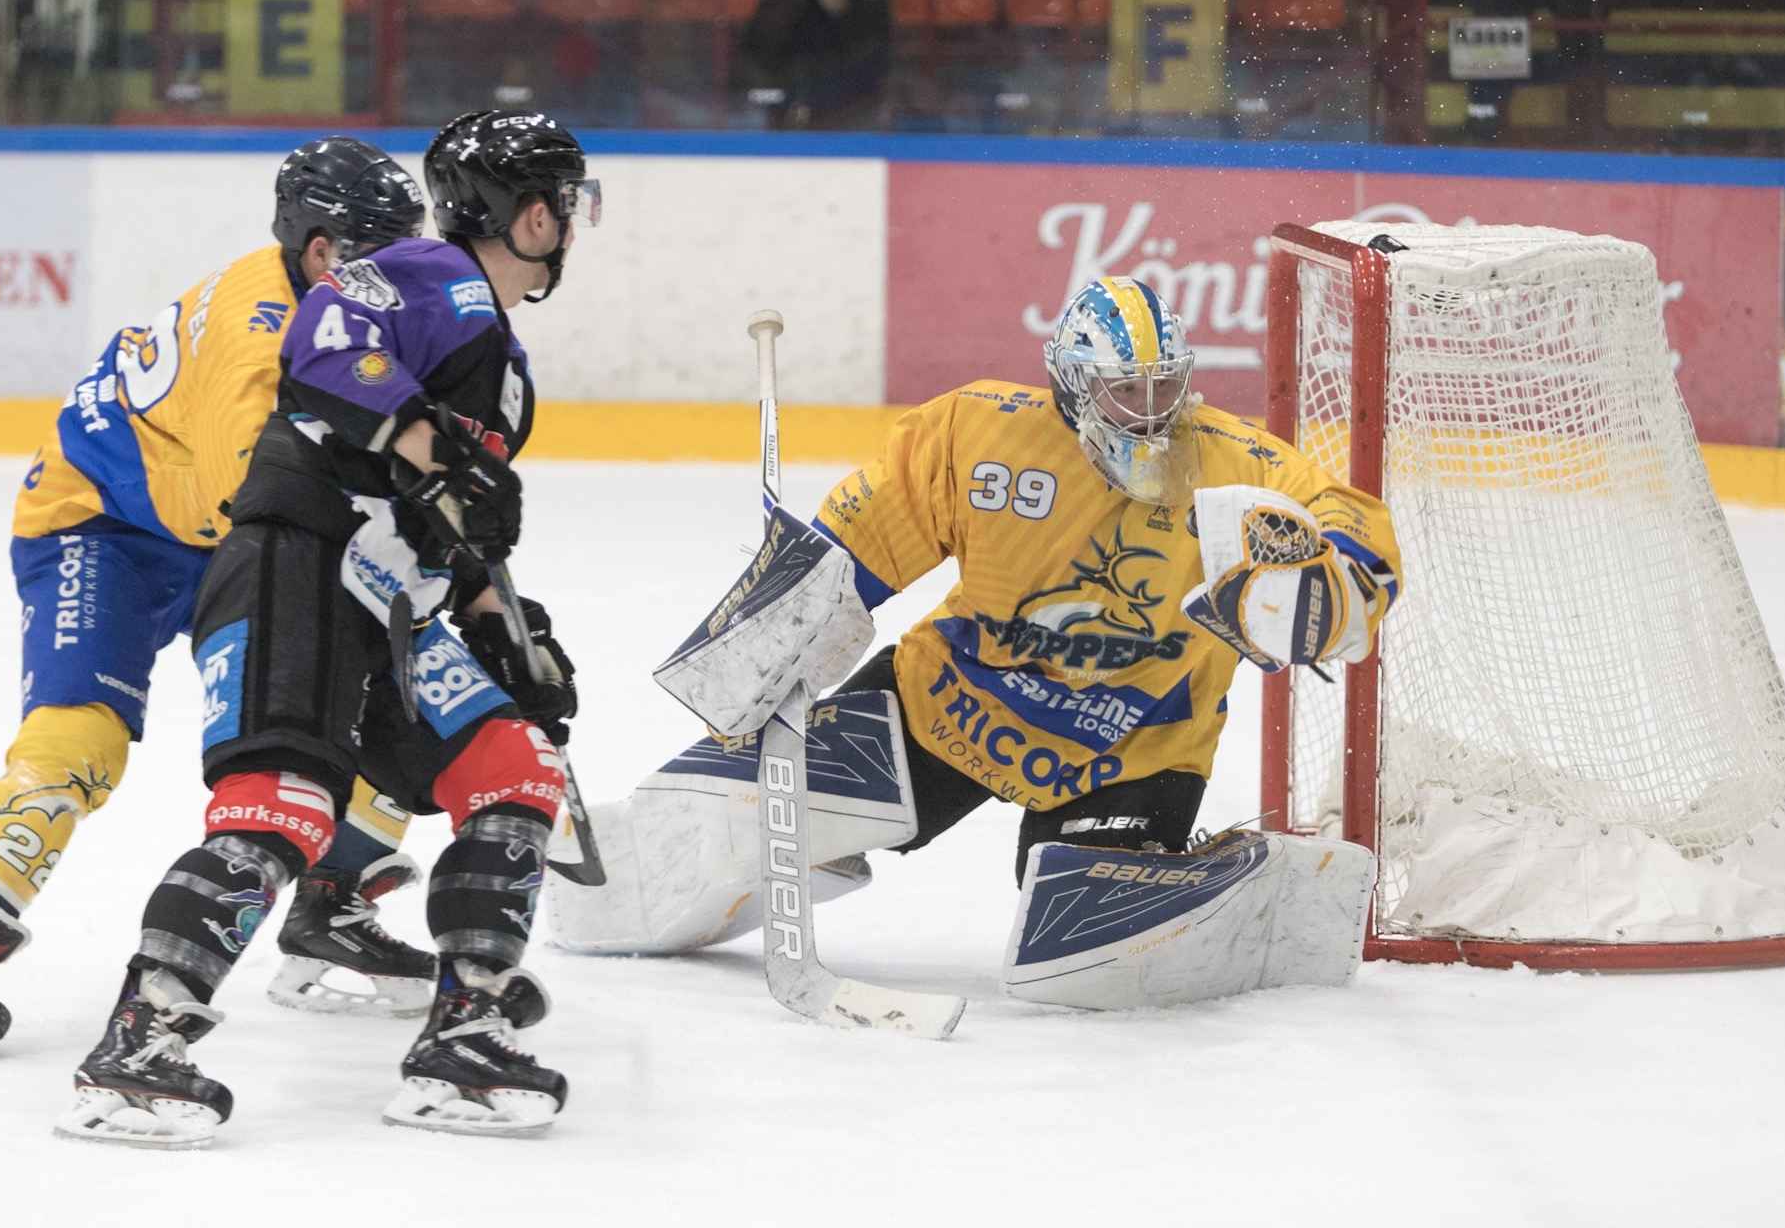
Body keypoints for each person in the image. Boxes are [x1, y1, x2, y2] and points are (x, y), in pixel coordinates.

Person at [555, 276, 1404, 1008]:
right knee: (703, 824)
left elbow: (1350, 531)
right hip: (943, 710)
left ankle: (1244, 878)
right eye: (1123, 392)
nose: (1150, 416)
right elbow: (861, 545)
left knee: (1069, 959)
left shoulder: (1239, 467)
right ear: (1073, 388)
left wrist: (1324, 581)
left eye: (1164, 388)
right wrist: (779, 625)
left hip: (1134, 753)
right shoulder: (980, 436)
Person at [54, 111, 601, 1147]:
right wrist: (428, 443)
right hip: (293, 565)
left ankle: (465, 1031)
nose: (571, 225)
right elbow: (323, 345)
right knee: (281, 809)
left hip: (386, 602)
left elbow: (441, 523)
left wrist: (501, 626)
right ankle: (140, 1042)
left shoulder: (495, 344)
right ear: (531, 216)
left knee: (513, 768)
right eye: (565, 205)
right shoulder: (422, 273)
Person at [0, 138, 431, 1060]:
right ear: (322, 248)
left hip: (206, 524)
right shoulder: (259, 335)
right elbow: (243, 498)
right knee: (77, 744)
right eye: (381, 252)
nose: (399, 277)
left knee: (371, 687)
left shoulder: (328, 299)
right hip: (102, 527)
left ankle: (334, 901)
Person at [742, 0, 890, 130]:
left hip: (853, 122)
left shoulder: (868, 11)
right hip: (784, 122)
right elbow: (758, 65)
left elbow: (873, 68)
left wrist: (837, 7)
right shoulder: (775, 9)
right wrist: (797, 0)